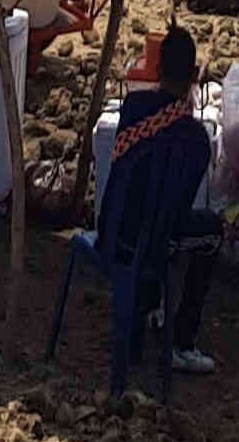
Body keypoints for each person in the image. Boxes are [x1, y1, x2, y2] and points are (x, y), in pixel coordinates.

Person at [96, 25, 224, 400]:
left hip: (112, 231)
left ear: (156, 70)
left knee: (149, 221)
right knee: (209, 233)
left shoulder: (133, 109)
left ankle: (143, 313)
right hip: (148, 245)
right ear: (194, 76)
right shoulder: (194, 139)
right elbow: (174, 210)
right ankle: (181, 341)